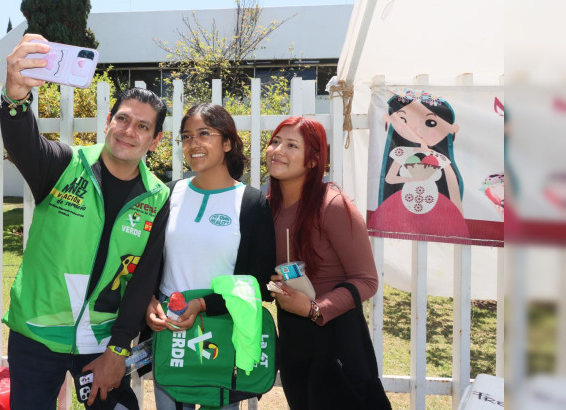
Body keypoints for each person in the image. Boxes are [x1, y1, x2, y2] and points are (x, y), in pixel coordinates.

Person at [1, 33, 171, 409]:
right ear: (108, 121)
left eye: (143, 127)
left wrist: (119, 349)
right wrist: (14, 99)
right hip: (36, 335)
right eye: (123, 119)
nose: (129, 131)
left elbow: (143, 280)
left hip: (101, 342)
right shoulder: (63, 164)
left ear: (156, 140)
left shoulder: (157, 197)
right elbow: (22, 143)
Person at [145, 103, 276, 409]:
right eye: (187, 136)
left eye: (204, 133)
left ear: (227, 142)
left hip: (224, 330)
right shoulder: (169, 194)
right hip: (173, 329)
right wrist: (149, 299)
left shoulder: (252, 203)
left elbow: (258, 280)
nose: (194, 144)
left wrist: (205, 303)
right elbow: (148, 261)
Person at [265, 116, 379, 409]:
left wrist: (314, 308)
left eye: (291, 145)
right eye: (275, 141)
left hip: (338, 338)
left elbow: (366, 280)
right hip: (293, 338)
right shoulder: (267, 208)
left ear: (313, 160)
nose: (277, 150)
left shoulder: (333, 205)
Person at [369, 89, 469, 240]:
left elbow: (453, 188)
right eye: (404, 120)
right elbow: (389, 179)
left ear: (451, 128)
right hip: (402, 203)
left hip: (436, 206)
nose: (415, 129)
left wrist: (459, 220)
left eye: (430, 123)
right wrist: (412, 179)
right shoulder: (401, 153)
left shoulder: (441, 158)